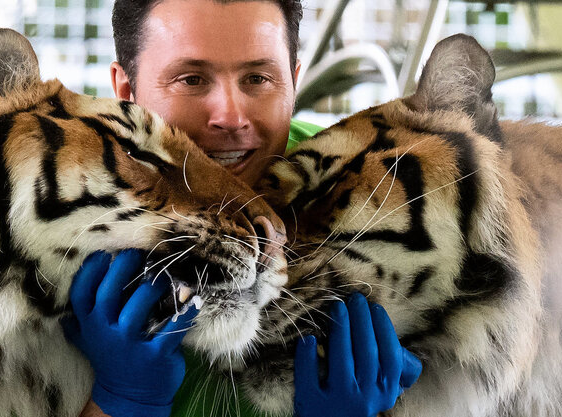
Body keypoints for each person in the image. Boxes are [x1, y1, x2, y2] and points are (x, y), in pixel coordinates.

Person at [61, 1, 422, 416]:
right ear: (126, 92)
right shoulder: (72, 197)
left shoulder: (365, 186)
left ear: (294, 82)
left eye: (258, 78)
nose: (231, 116)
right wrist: (120, 400)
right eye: (192, 79)